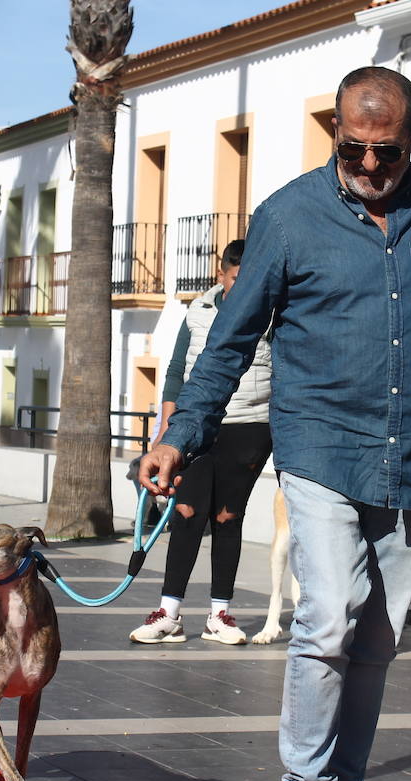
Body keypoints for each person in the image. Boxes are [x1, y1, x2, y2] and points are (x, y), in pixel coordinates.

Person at [139, 67, 411, 781]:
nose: (370, 165)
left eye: (387, 151)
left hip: (410, 455)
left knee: (377, 638)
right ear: (336, 136)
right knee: (329, 615)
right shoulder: (287, 216)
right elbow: (229, 343)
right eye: (353, 149)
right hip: (316, 447)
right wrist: (182, 434)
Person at [129, 239, 272, 646]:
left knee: (228, 517)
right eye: (236, 278)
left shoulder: (270, 314)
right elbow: (176, 371)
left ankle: (219, 615)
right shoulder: (197, 311)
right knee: (187, 512)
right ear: (221, 274)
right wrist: (165, 431)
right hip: (197, 426)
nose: (242, 286)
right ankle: (168, 614)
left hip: (250, 425)